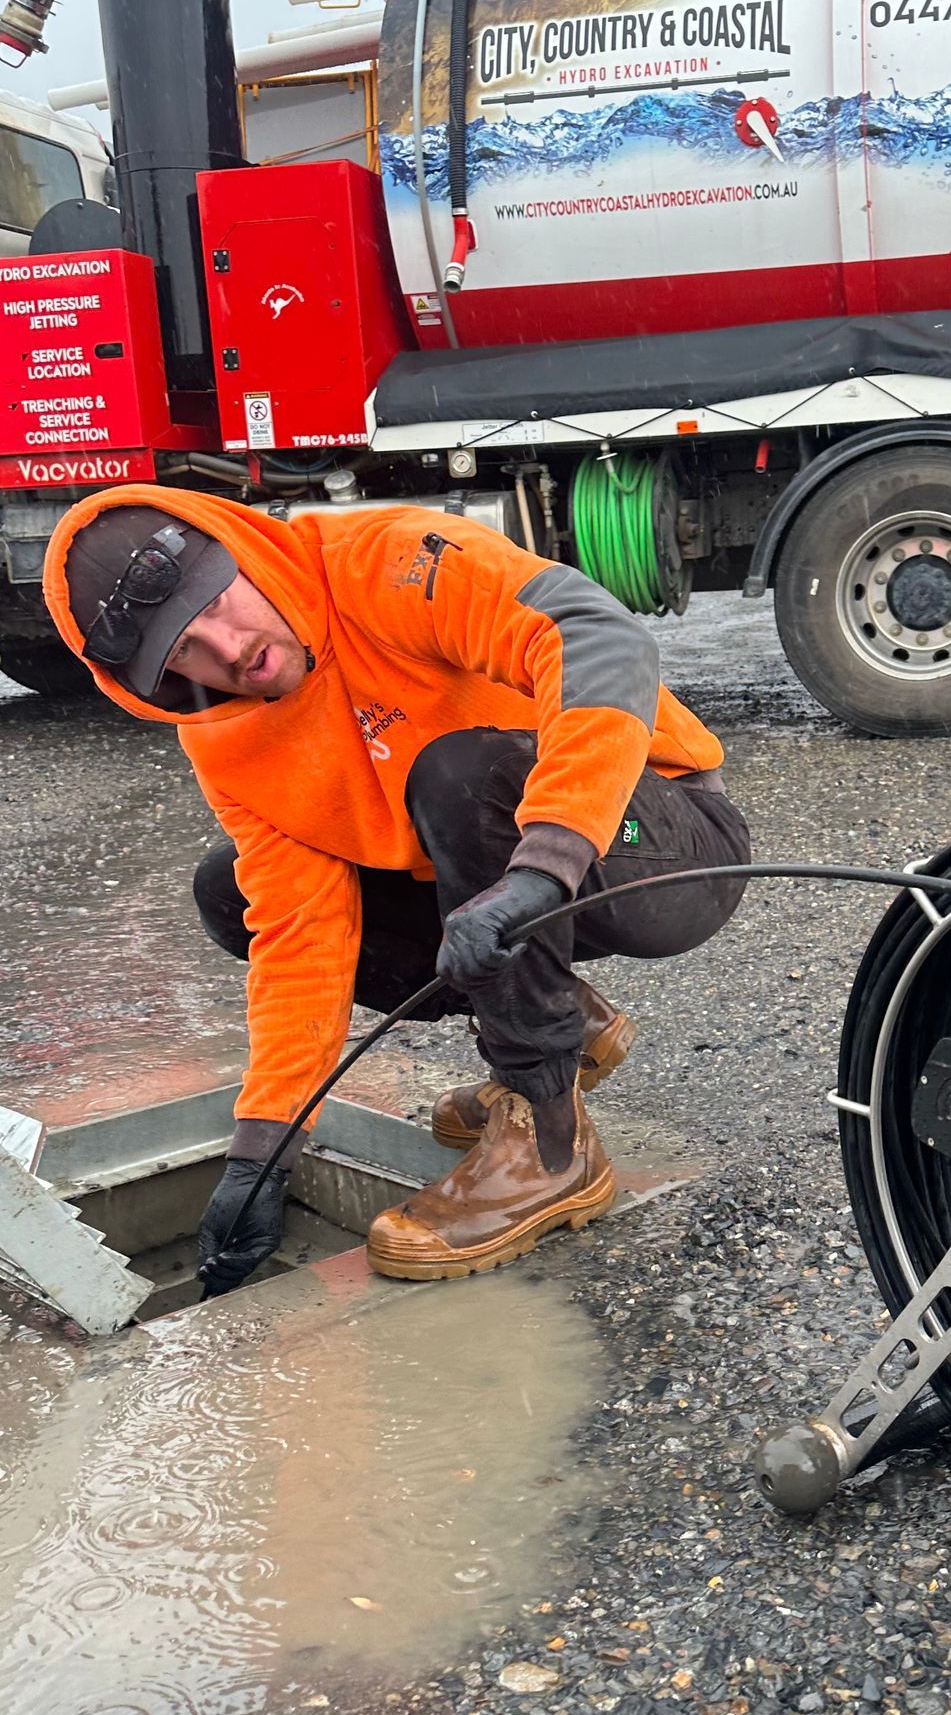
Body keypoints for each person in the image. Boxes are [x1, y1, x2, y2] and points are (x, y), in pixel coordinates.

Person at [43, 489, 749, 1295]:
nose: (229, 649)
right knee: (229, 893)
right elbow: (301, 940)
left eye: (217, 603)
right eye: (186, 653)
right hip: (506, 878)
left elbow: (595, 635)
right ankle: (564, 1025)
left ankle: (552, 1143)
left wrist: (545, 861)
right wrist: (263, 1151)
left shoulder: (383, 560)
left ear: (244, 553)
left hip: (658, 839)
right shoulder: (228, 742)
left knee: (461, 776)